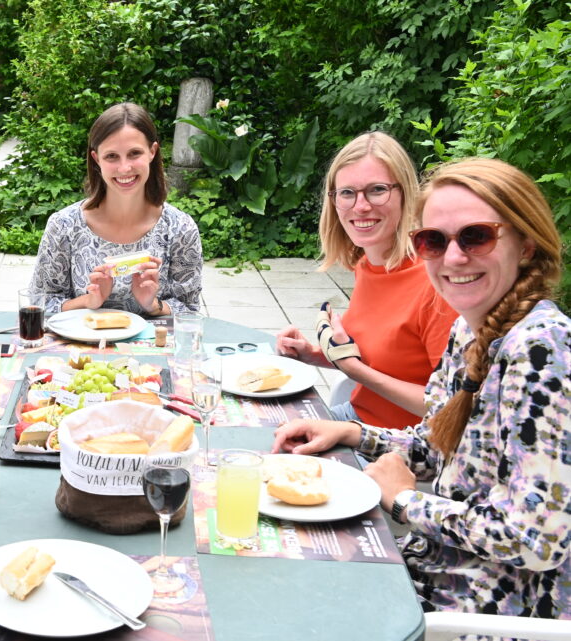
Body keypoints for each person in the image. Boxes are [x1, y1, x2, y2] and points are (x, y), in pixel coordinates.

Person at [273, 157, 570, 619]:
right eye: (433, 240)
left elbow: (534, 541)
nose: (453, 258)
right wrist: (351, 434)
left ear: (526, 244)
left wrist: (406, 500)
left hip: (485, 606)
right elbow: (437, 442)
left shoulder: (543, 349)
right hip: (433, 569)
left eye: (476, 236)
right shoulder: (473, 330)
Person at [276, 132, 457, 429]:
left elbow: (450, 406)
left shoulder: (437, 282)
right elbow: (380, 359)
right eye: (347, 193)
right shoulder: (368, 265)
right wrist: (314, 355)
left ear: (406, 195)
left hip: (405, 446)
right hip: (357, 417)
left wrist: (353, 370)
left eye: (376, 190)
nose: (360, 206)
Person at [29, 102, 202, 317]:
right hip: (82, 349)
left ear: (152, 152)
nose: (124, 168)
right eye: (112, 156)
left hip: (156, 350)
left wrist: (153, 305)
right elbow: (39, 303)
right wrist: (89, 301)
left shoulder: (180, 229)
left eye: (134, 153)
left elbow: (191, 310)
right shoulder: (64, 225)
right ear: (96, 159)